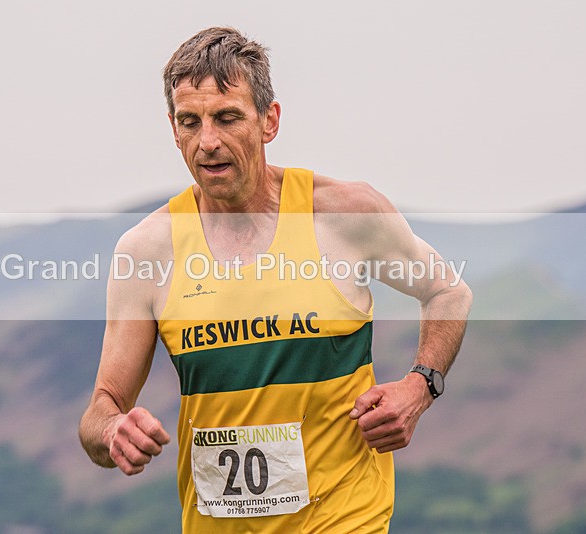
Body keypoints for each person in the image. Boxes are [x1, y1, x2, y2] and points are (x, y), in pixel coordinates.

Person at [79, 27, 472, 533]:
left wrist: (420, 386)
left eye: (227, 117)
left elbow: (447, 290)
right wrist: (113, 430)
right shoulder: (147, 250)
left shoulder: (343, 214)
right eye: (189, 122)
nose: (209, 141)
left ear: (269, 121)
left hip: (346, 518)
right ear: (173, 130)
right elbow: (100, 411)